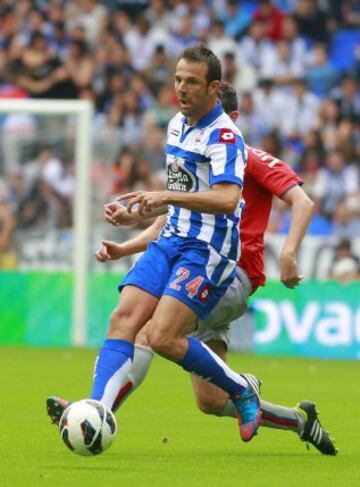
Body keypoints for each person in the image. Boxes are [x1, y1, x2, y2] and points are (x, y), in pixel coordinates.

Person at [47, 82, 337, 455]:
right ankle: (300, 420)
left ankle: (96, 411)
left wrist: (289, 253)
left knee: (151, 328)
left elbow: (303, 201)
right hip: (198, 263)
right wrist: (127, 247)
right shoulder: (200, 158)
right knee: (212, 402)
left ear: (230, 119)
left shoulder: (251, 158)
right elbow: (177, 219)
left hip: (232, 274)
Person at [48, 46, 263, 442]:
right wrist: (137, 215)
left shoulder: (225, 135)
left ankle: (240, 389)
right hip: (171, 239)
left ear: (213, 87)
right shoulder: (176, 125)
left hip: (207, 250)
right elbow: (182, 193)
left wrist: (164, 196)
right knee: (123, 319)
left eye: (192, 82)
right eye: (178, 79)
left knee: (163, 336)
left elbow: (226, 199)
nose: (181, 88)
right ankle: (96, 410)